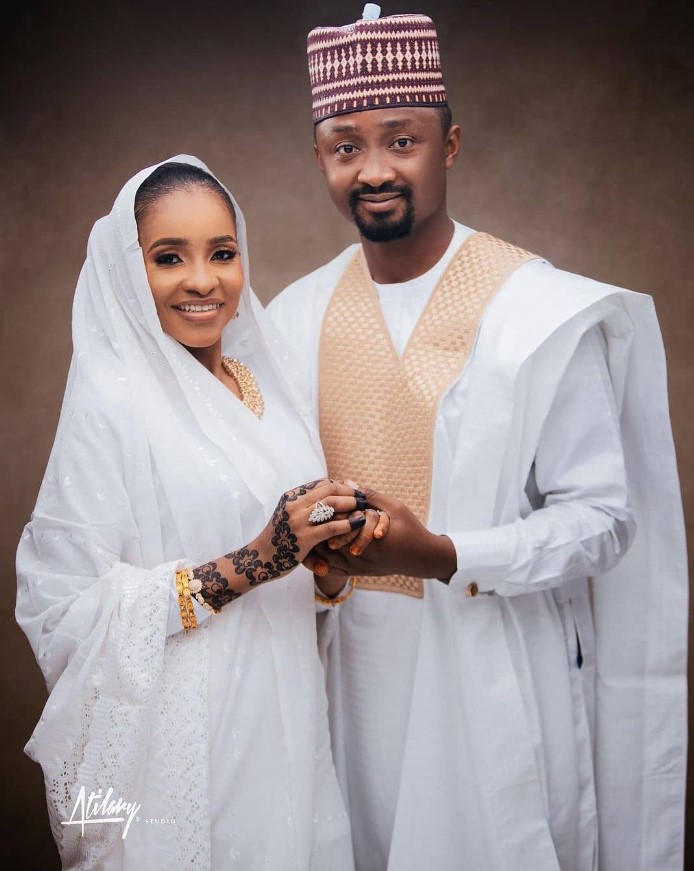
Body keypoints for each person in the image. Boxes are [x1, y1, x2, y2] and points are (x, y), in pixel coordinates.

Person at [267, 6, 689, 871]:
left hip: (495, 668)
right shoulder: (291, 318)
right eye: (346, 146)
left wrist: (450, 552)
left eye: (402, 140)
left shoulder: (534, 311)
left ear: (449, 146)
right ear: (320, 160)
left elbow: (604, 519)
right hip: (342, 685)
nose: (374, 169)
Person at [14, 155, 388, 869]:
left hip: (286, 721)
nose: (201, 279)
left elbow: (292, 574)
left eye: (222, 253)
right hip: (187, 738)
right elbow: (61, 608)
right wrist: (252, 562)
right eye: (168, 257)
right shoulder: (114, 402)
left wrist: (327, 571)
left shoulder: (269, 389)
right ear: (130, 270)